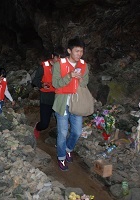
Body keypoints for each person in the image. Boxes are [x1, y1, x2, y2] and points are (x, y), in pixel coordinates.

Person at [52, 36, 89, 171]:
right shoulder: (59, 64)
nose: (79, 54)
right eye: (77, 51)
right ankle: (61, 158)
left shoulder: (84, 65)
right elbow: (56, 84)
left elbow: (85, 83)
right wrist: (69, 76)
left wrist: (80, 78)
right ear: (69, 50)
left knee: (77, 131)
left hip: (77, 104)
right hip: (62, 103)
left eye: (81, 51)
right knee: (62, 132)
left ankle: (68, 149)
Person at [32, 52, 62, 139]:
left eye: (60, 59)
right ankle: (37, 127)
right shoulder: (43, 67)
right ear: (53, 56)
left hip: (58, 97)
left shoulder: (62, 66)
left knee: (60, 122)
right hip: (46, 97)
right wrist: (42, 85)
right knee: (44, 124)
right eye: (57, 58)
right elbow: (35, 80)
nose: (58, 60)